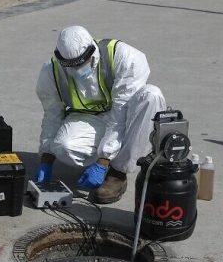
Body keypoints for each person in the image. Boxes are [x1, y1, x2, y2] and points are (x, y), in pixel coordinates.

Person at [34, 26, 166, 204]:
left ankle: (118, 172)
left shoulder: (124, 57)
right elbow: (51, 116)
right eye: (71, 65)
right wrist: (46, 158)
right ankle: (105, 162)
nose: (77, 68)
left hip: (126, 116)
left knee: (152, 95)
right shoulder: (51, 71)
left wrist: (104, 160)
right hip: (91, 119)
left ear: (92, 50)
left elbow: (120, 113)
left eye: (81, 63)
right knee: (64, 147)